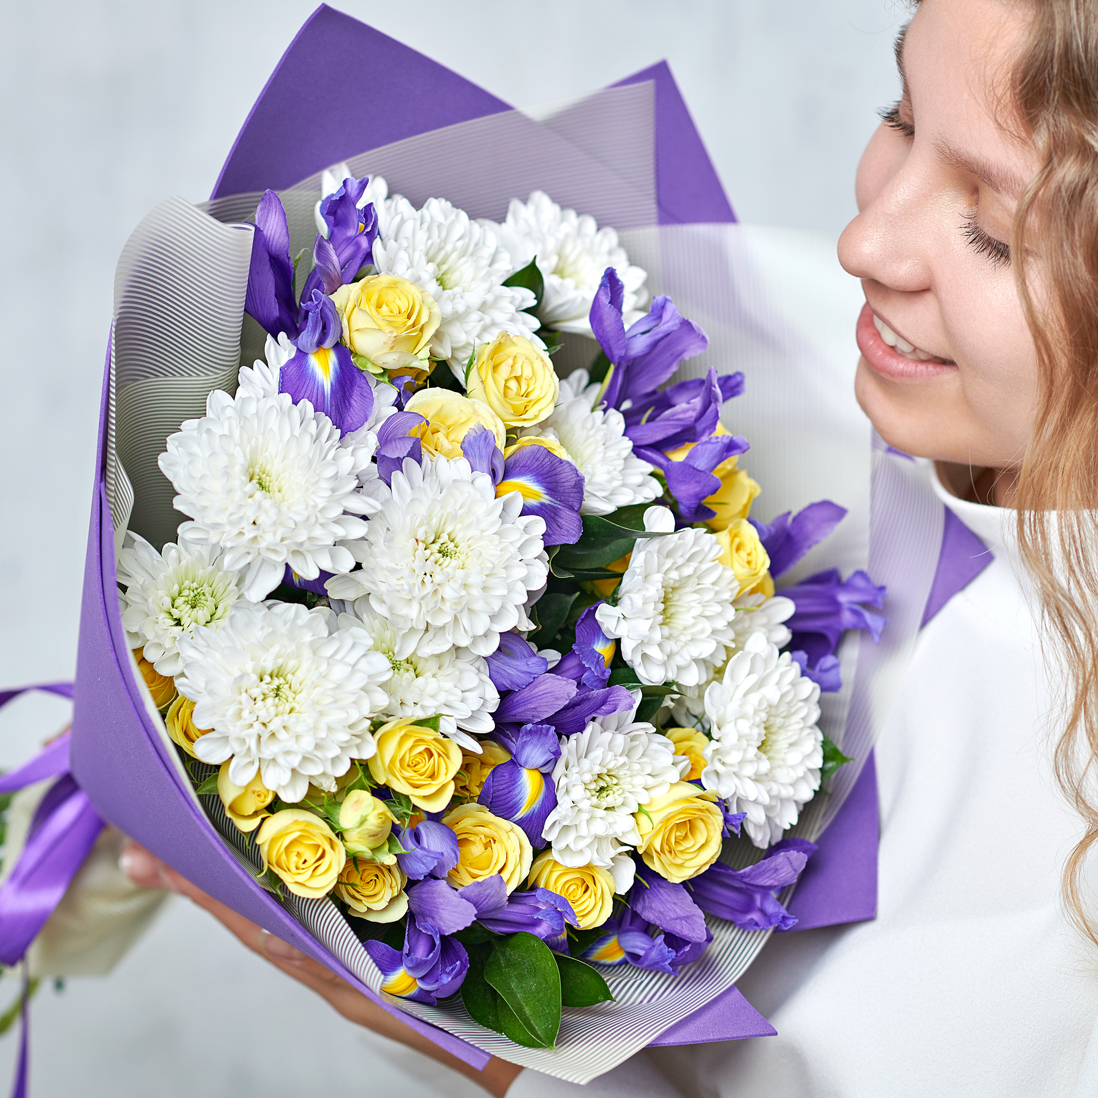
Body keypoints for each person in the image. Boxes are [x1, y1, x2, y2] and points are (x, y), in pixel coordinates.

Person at [122, 0, 1098, 1092]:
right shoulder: (842, 345)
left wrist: (479, 1052)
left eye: (993, 231)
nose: (862, 244)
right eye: (902, 117)